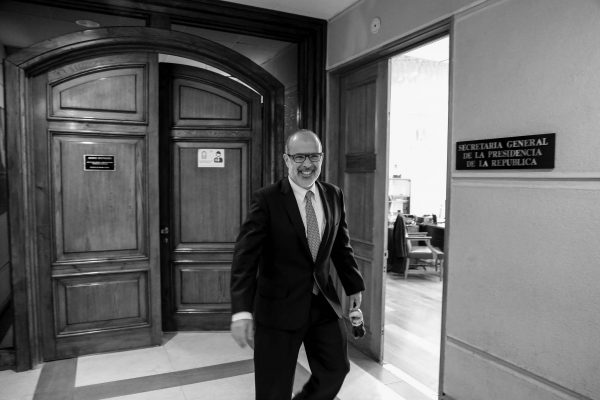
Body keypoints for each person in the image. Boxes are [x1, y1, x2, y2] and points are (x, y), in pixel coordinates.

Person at [230, 129, 365, 400]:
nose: (307, 164)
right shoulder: (267, 199)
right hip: (277, 309)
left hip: (322, 303)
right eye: (299, 157)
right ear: (286, 159)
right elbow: (245, 257)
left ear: (322, 157)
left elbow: (341, 246)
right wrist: (241, 310)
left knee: (336, 369)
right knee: (273, 389)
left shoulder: (333, 195)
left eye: (314, 156)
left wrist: (353, 285)